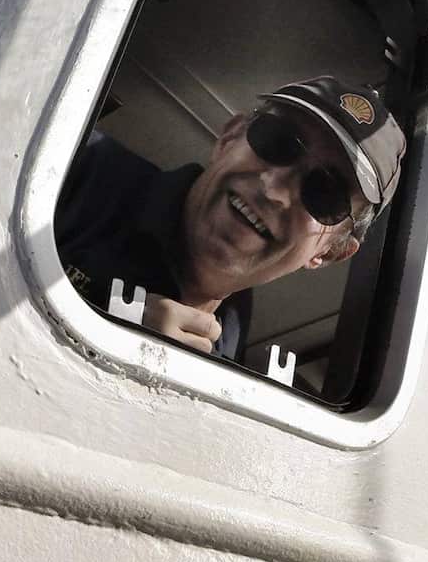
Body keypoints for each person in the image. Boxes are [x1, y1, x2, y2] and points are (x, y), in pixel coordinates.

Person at [54, 76, 406, 360]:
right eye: (276, 141)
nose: (274, 189)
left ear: (329, 252)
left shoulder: (231, 339)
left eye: (325, 194)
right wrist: (92, 325)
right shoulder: (66, 169)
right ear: (230, 137)